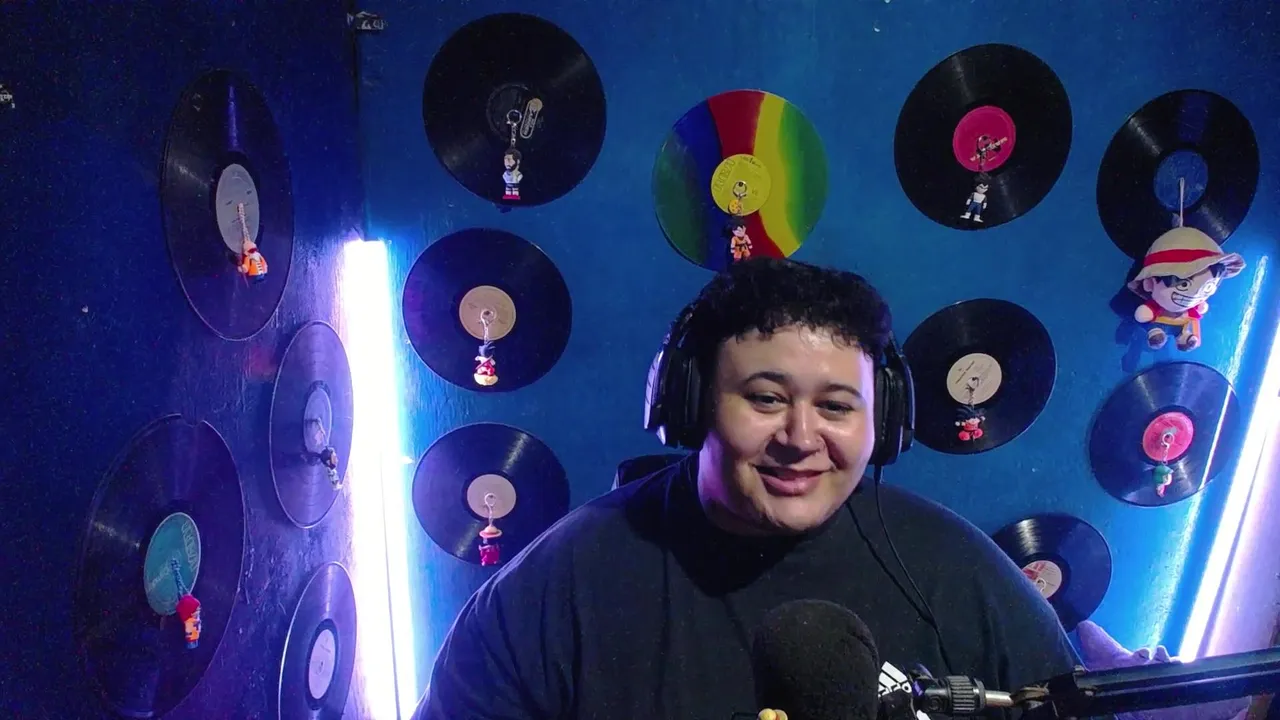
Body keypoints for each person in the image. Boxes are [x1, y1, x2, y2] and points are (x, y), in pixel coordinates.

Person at [416, 257, 1078, 719]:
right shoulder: (559, 587)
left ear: (885, 423)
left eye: (837, 406)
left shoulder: (961, 577)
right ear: (692, 403)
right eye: (765, 398)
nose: (801, 436)